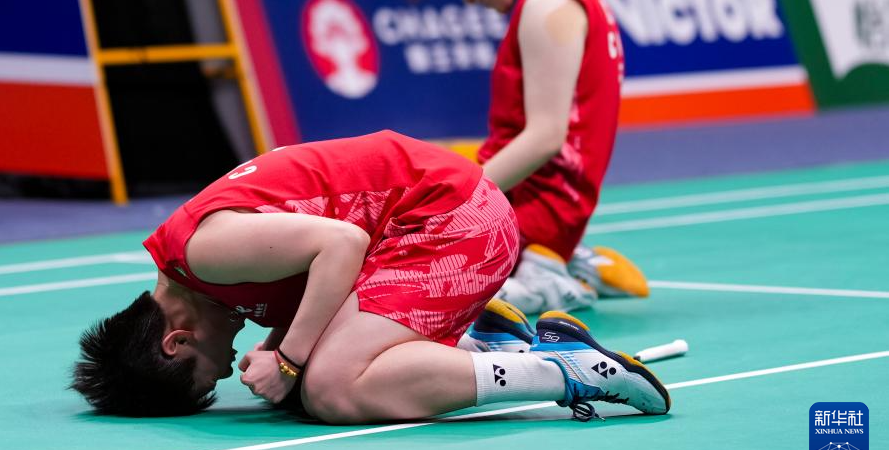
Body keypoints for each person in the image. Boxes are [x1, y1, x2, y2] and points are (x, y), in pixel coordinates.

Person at [70, 130, 670, 423]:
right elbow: (321, 267)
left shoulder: (205, 254)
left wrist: (289, 359)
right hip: (421, 229)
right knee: (308, 389)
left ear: (176, 341)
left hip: (454, 217)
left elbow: (343, 243)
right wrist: (283, 348)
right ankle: (491, 343)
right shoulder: (200, 271)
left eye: (207, 376)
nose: (225, 371)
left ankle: (566, 371)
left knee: (331, 390)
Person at [397, 0, 649, 315]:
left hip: (537, 208)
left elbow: (546, 137)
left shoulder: (549, 2)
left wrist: (458, 200)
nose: (468, 0)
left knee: (406, 275)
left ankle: (545, 271)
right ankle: (563, 262)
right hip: (524, 197)